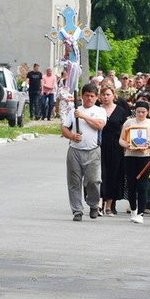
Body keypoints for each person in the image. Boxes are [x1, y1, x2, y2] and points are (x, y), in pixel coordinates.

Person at [61, 84, 107, 221]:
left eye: (92, 96)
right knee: (74, 182)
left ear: (96, 97)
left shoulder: (100, 111)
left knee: (93, 181)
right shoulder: (74, 111)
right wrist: (72, 136)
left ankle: (93, 204)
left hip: (93, 150)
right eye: (87, 95)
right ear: (82, 96)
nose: (89, 98)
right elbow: (64, 128)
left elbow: (99, 125)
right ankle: (77, 211)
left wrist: (83, 116)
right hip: (75, 151)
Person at [119, 99, 150, 223]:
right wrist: (128, 145)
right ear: (135, 111)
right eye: (138, 112)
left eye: (143, 112)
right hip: (130, 157)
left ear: (148, 112)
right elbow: (121, 140)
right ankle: (133, 210)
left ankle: (140, 213)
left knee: (142, 186)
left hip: (145, 158)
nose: (141, 114)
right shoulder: (129, 123)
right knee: (131, 185)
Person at [98, 85, 131, 216]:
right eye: (103, 95)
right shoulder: (97, 110)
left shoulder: (120, 110)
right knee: (100, 175)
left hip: (115, 146)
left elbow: (125, 129)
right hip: (99, 144)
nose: (105, 97)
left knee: (113, 175)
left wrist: (125, 146)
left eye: (108, 94)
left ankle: (109, 205)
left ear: (113, 96)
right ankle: (99, 203)